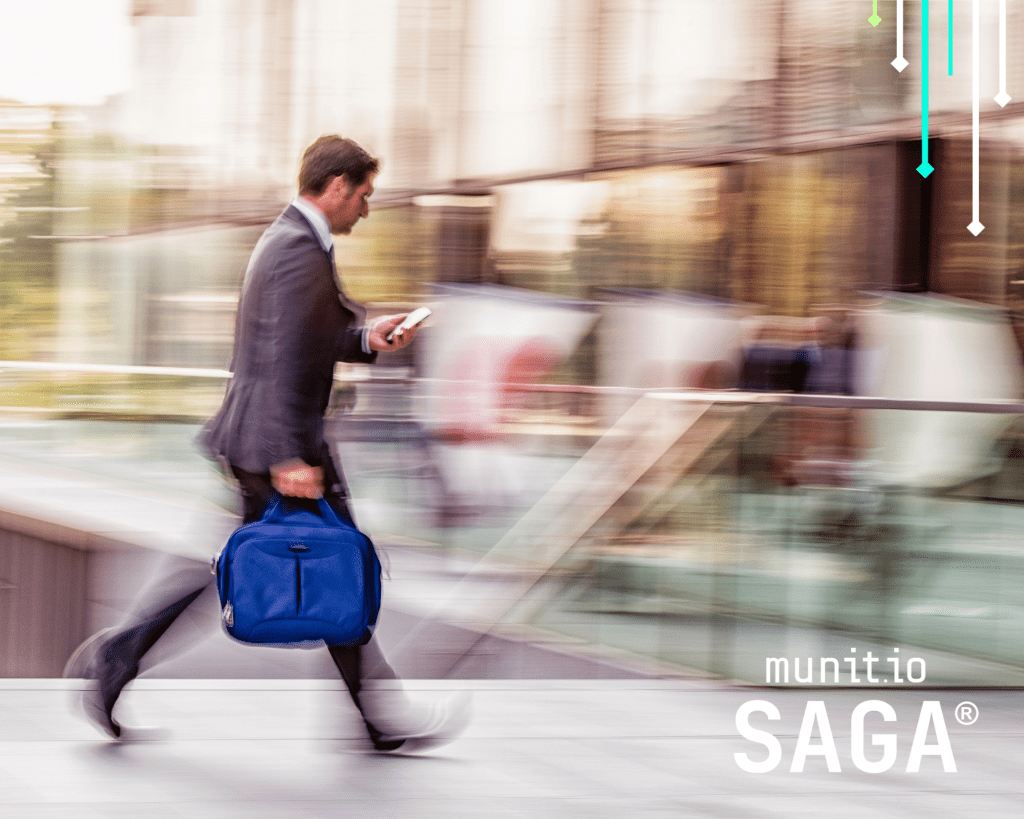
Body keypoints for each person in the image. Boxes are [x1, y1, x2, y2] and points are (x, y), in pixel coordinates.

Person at [66, 135, 469, 753]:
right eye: (363, 196)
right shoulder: (295, 249)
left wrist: (367, 338)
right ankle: (118, 658)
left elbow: (309, 335)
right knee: (336, 564)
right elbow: (280, 356)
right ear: (336, 187)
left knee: (303, 564)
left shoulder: (292, 241)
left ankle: (117, 659)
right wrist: (288, 457)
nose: (367, 209)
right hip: (277, 445)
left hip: (268, 439)